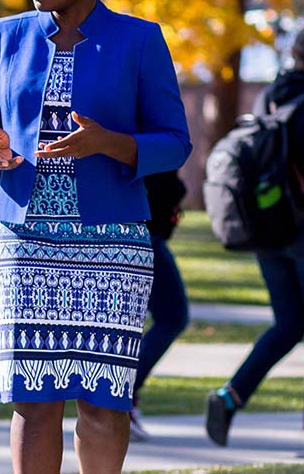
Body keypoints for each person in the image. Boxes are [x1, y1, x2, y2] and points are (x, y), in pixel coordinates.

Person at [0, 0, 191, 474]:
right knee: (33, 402)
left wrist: (107, 143)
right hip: (26, 239)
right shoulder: (5, 36)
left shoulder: (140, 40)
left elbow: (174, 142)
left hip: (112, 244)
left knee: (102, 404)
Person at [206, 23, 304, 456]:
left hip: (269, 231)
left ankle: (229, 396)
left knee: (290, 324)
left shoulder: (267, 97)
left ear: (294, 53)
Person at [129, 169, 190, 441]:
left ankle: (124, 394)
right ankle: (124, 394)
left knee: (168, 318)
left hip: (146, 232)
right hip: (144, 234)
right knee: (173, 317)